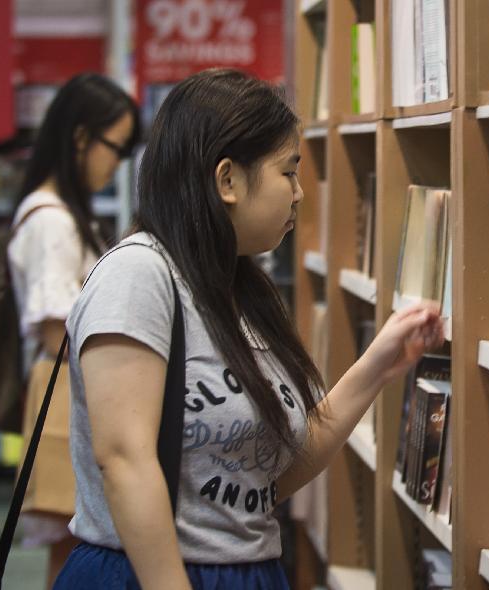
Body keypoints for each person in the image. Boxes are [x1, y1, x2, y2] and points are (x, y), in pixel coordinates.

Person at [52, 68, 445, 589]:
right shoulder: (139, 274)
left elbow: (269, 477)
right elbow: (124, 461)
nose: (300, 194)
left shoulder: (241, 290)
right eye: (289, 172)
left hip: (251, 571)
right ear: (228, 180)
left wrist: (379, 365)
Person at [6, 73, 139, 589]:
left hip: (70, 388)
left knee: (78, 541)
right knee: (75, 542)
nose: (116, 162)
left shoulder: (63, 214)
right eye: (115, 145)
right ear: (81, 136)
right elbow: (51, 330)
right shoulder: (52, 221)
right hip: (65, 393)